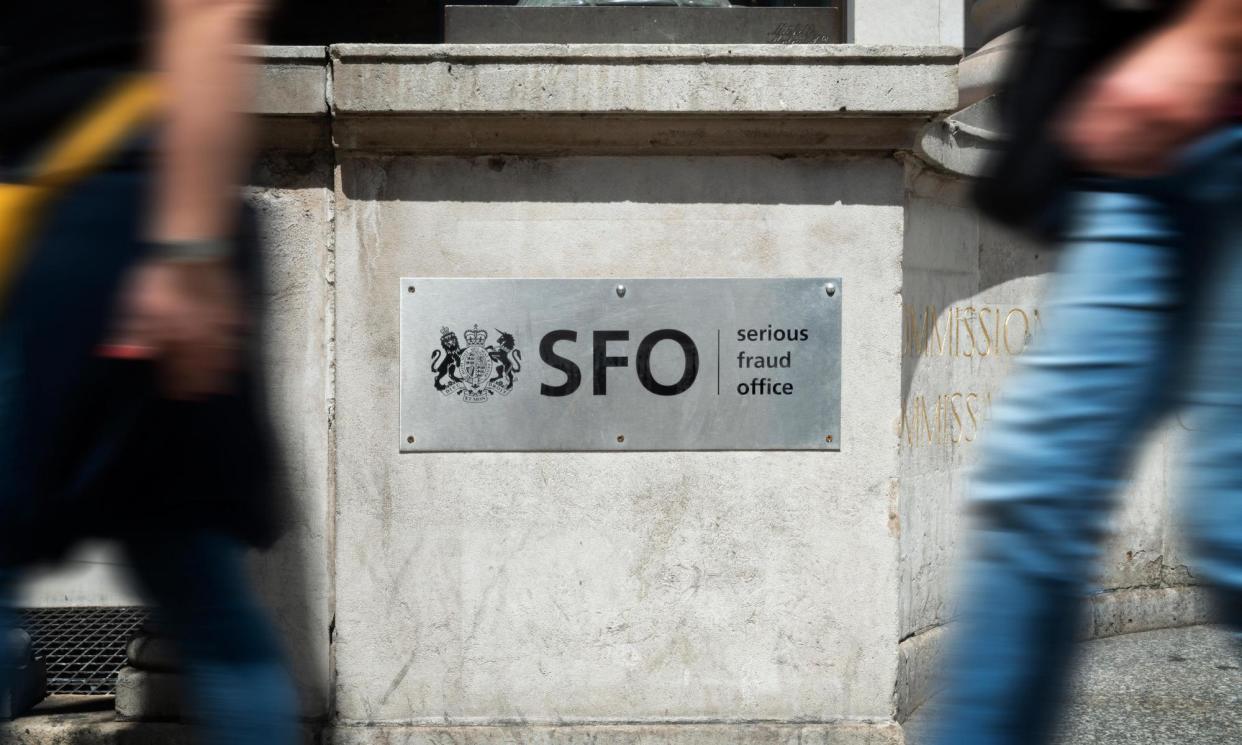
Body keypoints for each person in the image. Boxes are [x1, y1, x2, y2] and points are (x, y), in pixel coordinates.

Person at [931, 0, 1242, 743]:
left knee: (1230, 515)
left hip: (1203, 113)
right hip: (1146, 135)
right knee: (1035, 493)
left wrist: (1213, 34)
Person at [0, 0, 298, 741]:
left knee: (201, 587)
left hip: (105, 227)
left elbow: (210, 13)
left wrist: (186, 255)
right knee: (197, 581)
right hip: (81, 227)